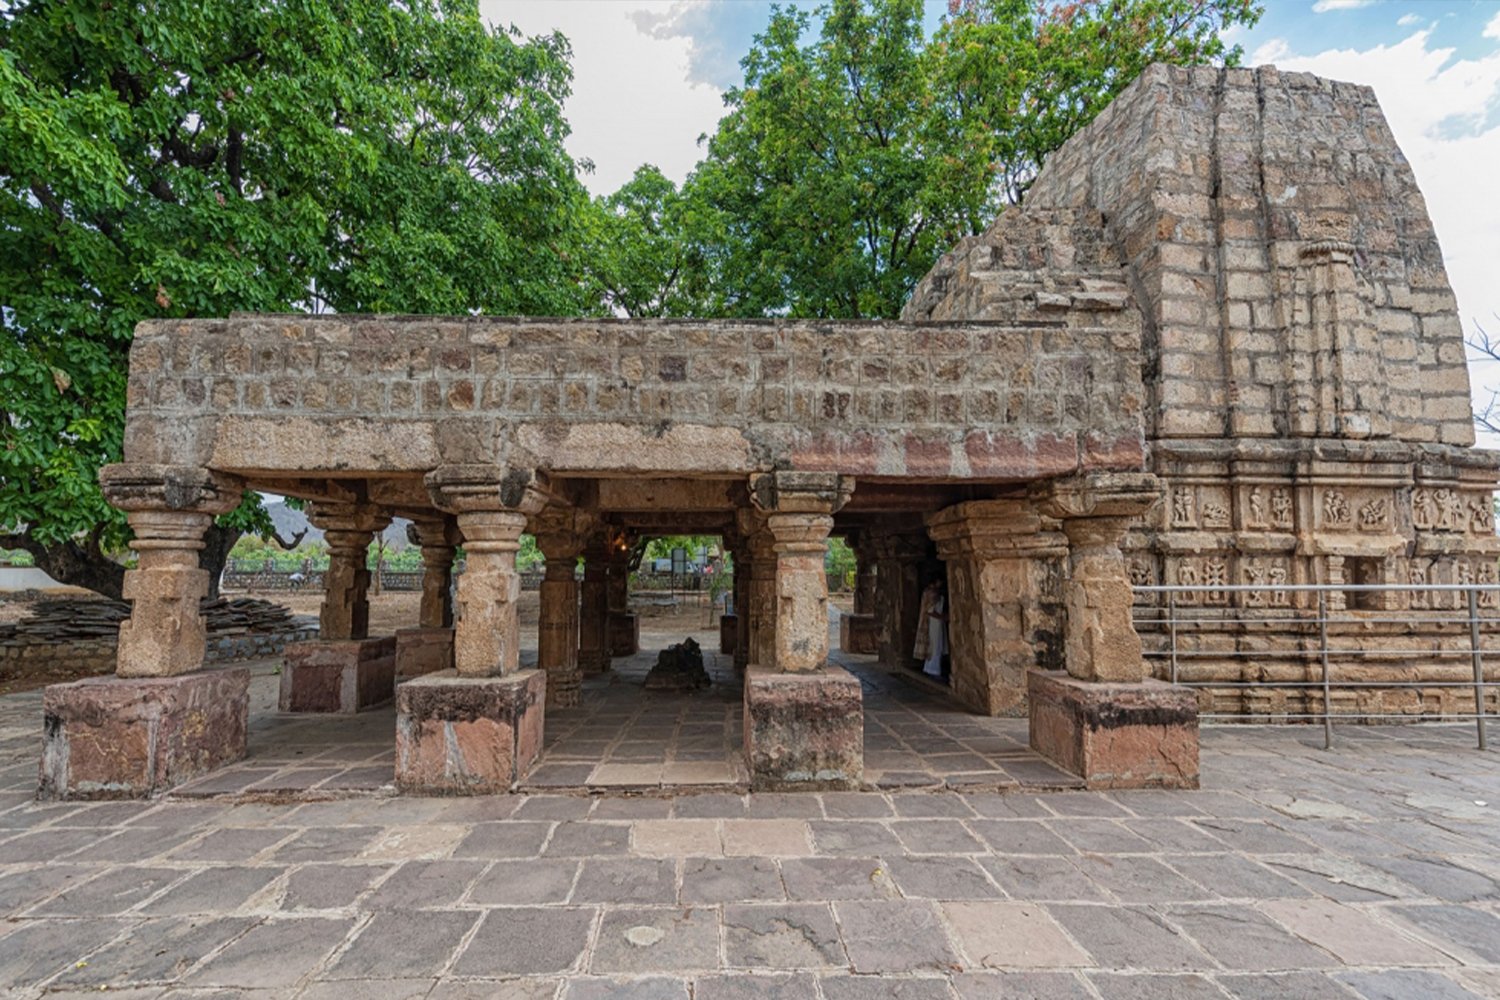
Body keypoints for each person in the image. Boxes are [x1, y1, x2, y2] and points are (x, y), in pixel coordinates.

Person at [913, 578, 948, 680]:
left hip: (934, 622)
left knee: (933, 645)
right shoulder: (933, 593)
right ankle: (934, 670)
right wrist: (943, 617)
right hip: (934, 622)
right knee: (935, 645)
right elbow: (930, 611)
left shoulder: (926, 592)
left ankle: (929, 668)